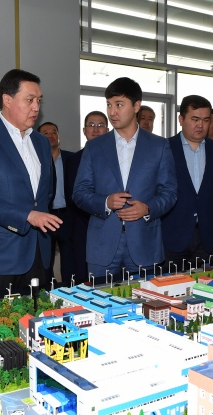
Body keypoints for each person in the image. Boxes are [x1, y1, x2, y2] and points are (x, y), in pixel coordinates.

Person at [0, 69, 61, 294]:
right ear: (7, 100)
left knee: (38, 314)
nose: (36, 107)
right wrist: (27, 215)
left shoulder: (41, 143)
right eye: (29, 100)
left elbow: (46, 194)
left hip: (40, 253)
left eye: (39, 100)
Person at [73, 77, 176, 279]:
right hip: (102, 243)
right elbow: (80, 192)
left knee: (145, 297)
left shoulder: (159, 146)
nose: (112, 112)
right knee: (100, 297)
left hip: (144, 242)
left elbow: (169, 192)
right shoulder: (94, 147)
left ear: (136, 106)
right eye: (109, 105)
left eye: (119, 105)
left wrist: (148, 209)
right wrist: (106, 202)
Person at [161, 95, 213, 270]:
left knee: (205, 284)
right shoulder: (164, 148)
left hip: (207, 237)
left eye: (206, 120)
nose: (201, 125)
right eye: (195, 119)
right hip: (172, 237)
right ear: (181, 119)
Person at [64, 111, 109, 284]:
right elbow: (73, 197)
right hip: (82, 227)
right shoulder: (73, 160)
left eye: (100, 125)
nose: (96, 130)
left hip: (111, 225)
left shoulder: (117, 159)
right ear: (84, 130)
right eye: (91, 125)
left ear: (107, 130)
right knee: (83, 277)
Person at [38, 121, 74, 283]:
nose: (50, 135)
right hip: (45, 216)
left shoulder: (71, 158)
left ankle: (69, 289)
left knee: (69, 259)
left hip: (67, 215)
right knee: (46, 260)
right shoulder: (36, 159)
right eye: (45, 133)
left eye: (54, 132)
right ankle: (48, 289)